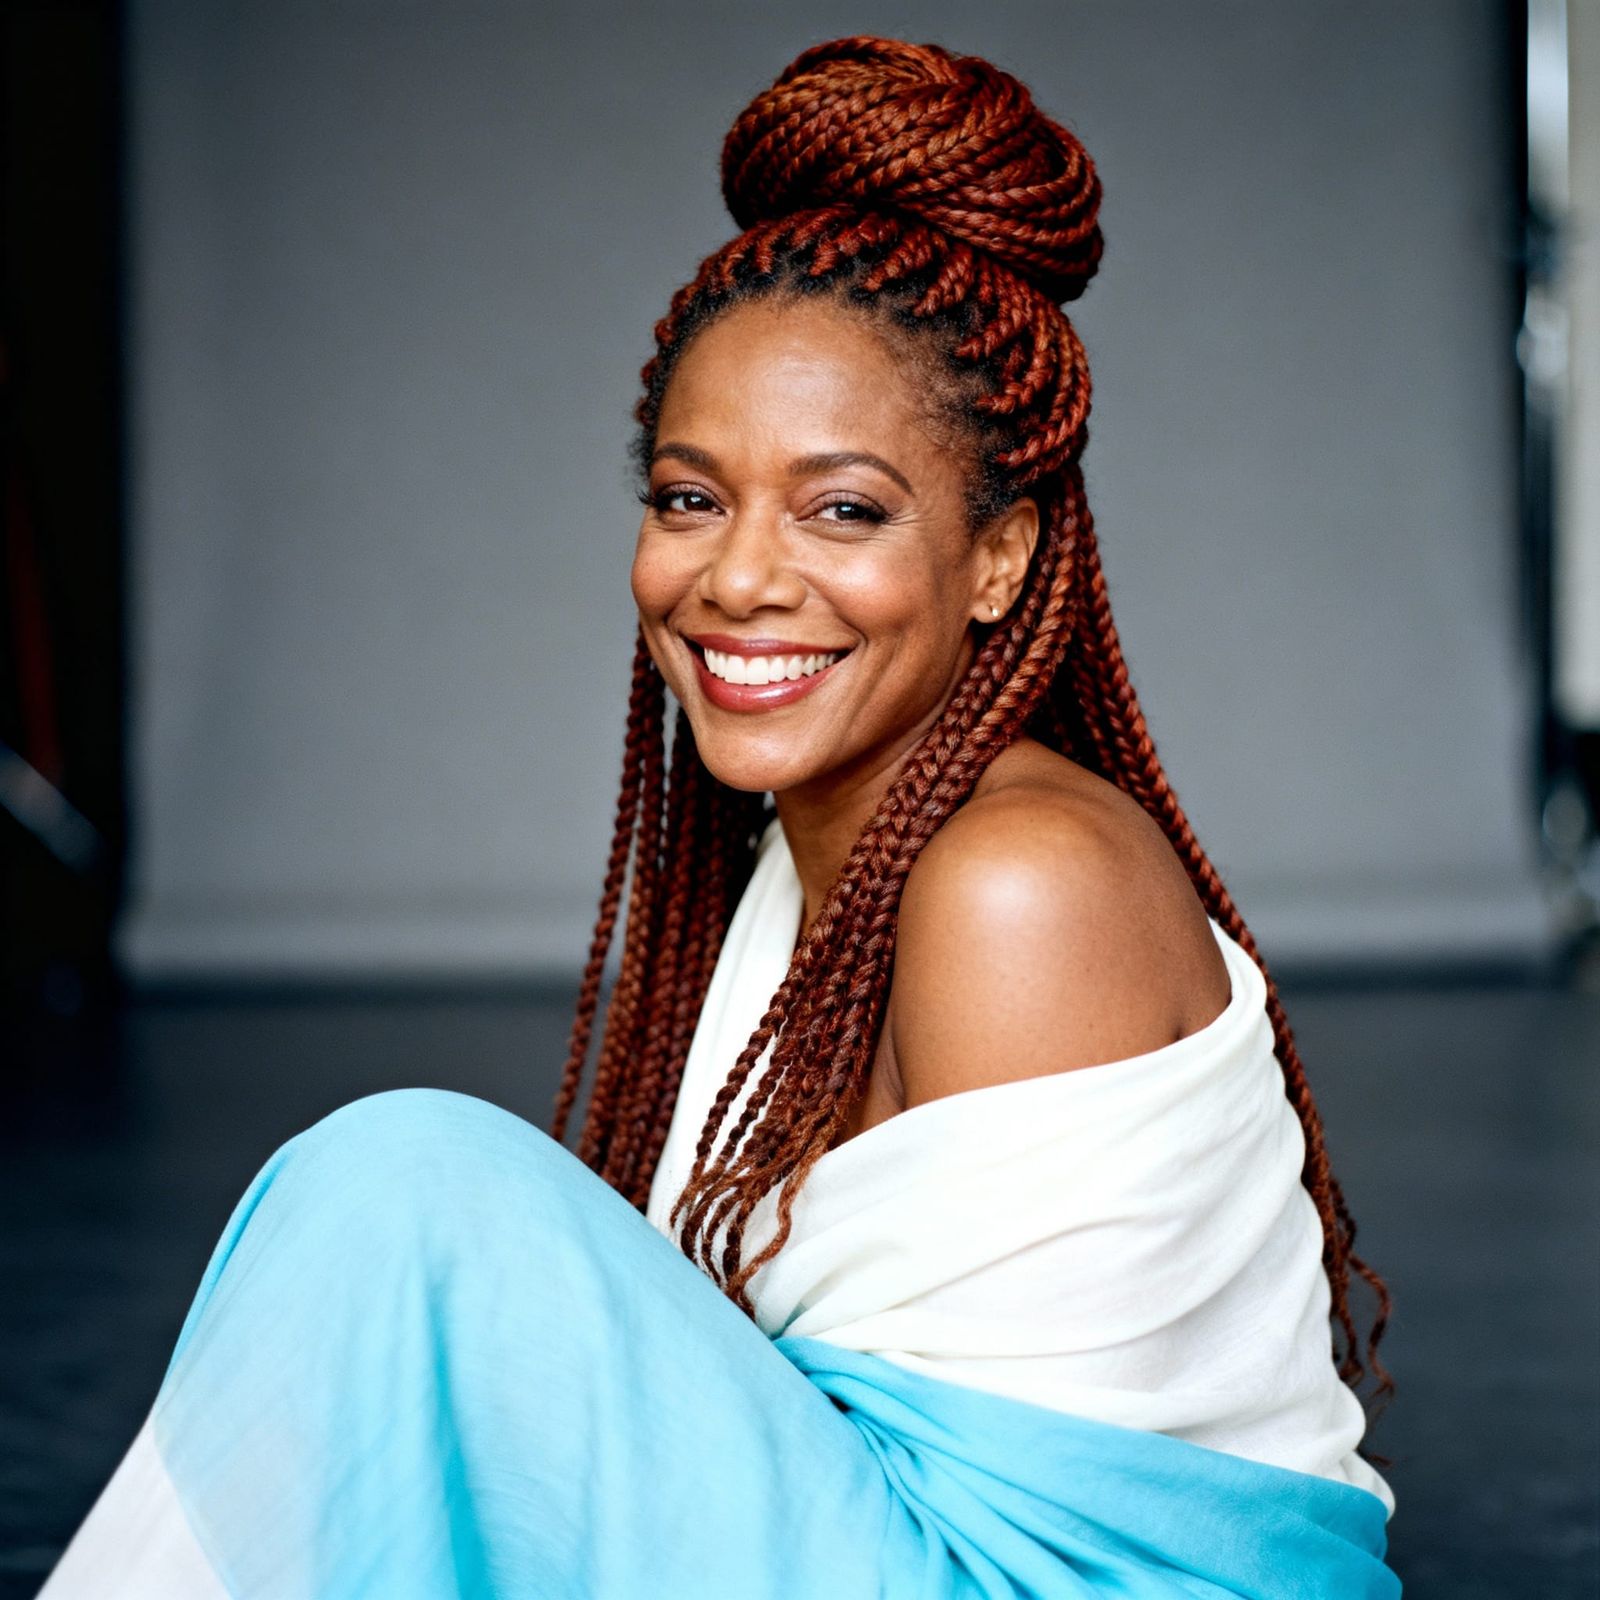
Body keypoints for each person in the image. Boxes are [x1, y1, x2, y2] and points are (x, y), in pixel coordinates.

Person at [38, 35, 1399, 1600]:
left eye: (842, 510)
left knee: (405, 1189)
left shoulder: (1022, 882)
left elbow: (1037, 1522)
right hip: (889, 1545)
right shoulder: (803, 863)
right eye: (691, 497)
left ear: (1003, 560)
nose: (737, 577)